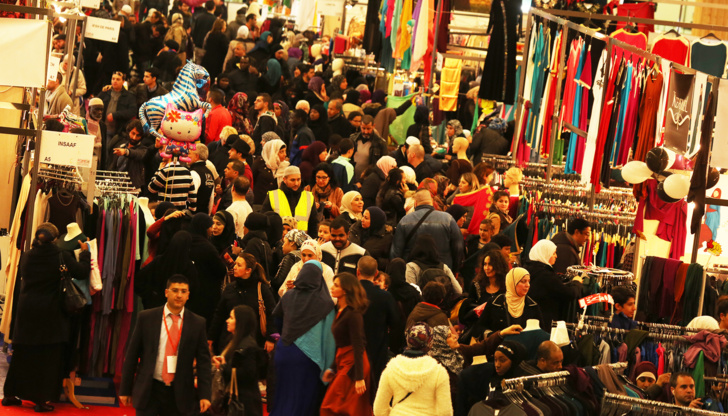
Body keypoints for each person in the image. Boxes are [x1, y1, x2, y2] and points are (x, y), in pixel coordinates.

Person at [2, 224, 90, 413]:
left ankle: (10, 394)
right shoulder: (60, 256)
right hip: (50, 314)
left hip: (26, 312)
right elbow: (82, 272)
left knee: (22, 355)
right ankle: (40, 400)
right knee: (46, 359)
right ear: (56, 238)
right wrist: (85, 253)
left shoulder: (27, 256)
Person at [120, 274, 212, 416]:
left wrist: (205, 394)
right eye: (175, 290)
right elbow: (132, 355)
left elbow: (203, 362)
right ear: (166, 292)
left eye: (183, 291)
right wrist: (125, 389)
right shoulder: (147, 318)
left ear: (188, 295)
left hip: (180, 393)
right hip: (150, 389)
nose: (179, 295)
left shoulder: (197, 323)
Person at [270, 261, 336, 416]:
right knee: (302, 402)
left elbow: (277, 319)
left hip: (284, 352)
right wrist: (330, 365)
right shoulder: (326, 303)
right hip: (308, 359)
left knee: (283, 396)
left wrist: (288, 334)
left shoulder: (288, 296)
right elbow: (329, 338)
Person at [320, 273, 373, 415]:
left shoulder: (353, 314)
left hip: (354, 365)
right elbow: (341, 343)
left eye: (336, 285)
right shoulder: (341, 311)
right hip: (344, 361)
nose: (332, 287)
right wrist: (332, 368)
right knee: (338, 408)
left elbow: (358, 345)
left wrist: (359, 377)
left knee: (332, 407)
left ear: (345, 290)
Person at [373, 323, 452, 416]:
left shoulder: (391, 369)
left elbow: (379, 409)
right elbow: (445, 412)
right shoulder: (439, 372)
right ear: (430, 342)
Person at [208, 253, 276, 354]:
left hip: (255, 343)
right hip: (229, 342)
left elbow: (273, 314)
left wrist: (271, 339)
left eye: (239, 265)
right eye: (235, 264)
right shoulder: (230, 288)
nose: (234, 267)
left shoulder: (262, 289)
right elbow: (219, 315)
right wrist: (211, 337)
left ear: (248, 270)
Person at [355, 256, 399, 402]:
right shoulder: (385, 297)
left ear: (357, 272)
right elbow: (395, 323)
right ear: (376, 274)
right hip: (377, 349)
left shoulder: (349, 294)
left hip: (351, 351)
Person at [391, 189, 464, 273]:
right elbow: (458, 247)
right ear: (432, 202)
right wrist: (455, 270)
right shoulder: (448, 219)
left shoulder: (404, 221)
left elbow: (396, 251)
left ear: (415, 203)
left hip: (413, 272)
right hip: (442, 273)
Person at [212, 305, 266, 416]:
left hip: (245, 405)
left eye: (231, 318)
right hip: (236, 400)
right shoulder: (233, 341)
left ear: (241, 322)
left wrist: (223, 367)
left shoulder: (248, 346)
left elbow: (248, 374)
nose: (227, 321)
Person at [456, 341, 526, 416]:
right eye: (495, 360)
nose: (497, 365)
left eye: (502, 360)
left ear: (514, 361)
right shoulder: (487, 377)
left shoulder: (523, 384)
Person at [137, 231, 201, 312]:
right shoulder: (189, 267)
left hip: (154, 309)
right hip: (178, 311)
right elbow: (194, 292)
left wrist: (150, 296)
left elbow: (139, 280)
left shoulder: (159, 261)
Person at [525, 239, 583, 329]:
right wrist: (577, 283)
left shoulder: (528, 268)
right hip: (544, 322)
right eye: (553, 253)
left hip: (529, 320)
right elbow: (569, 293)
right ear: (546, 254)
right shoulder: (545, 275)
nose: (556, 256)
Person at [473, 268, 542, 336]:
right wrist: (497, 335)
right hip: (498, 345)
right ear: (512, 282)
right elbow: (479, 328)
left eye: (528, 281)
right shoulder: (495, 302)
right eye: (523, 281)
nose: (528, 285)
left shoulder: (532, 305)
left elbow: (541, 332)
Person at [188, 214, 228, 324]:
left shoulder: (185, 242)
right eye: (210, 226)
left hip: (188, 293)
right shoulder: (208, 247)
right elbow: (220, 270)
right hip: (206, 295)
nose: (212, 229)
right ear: (204, 228)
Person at [262, 165, 318, 237]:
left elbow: (313, 224)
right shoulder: (272, 195)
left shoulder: (309, 197)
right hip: (278, 242)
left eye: (298, 179)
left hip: (302, 242)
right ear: (284, 180)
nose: (296, 183)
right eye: (293, 180)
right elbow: (265, 221)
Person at [107, 120, 150, 190]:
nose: (134, 137)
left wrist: (126, 152)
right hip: (116, 186)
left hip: (132, 189)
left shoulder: (143, 150)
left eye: (138, 135)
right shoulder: (122, 146)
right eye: (133, 133)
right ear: (129, 131)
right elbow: (113, 167)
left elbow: (137, 154)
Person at [98, 71, 137, 140]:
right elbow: (96, 104)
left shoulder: (129, 96)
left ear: (123, 81)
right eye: (113, 79)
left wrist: (115, 115)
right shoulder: (105, 92)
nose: (115, 81)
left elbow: (132, 111)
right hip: (103, 130)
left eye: (118, 79)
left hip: (119, 132)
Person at [271, 229, 309, 294]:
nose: (282, 245)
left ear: (292, 243)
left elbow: (279, 282)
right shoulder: (304, 257)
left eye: (285, 242)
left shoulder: (290, 257)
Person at [252, 138, 288, 204]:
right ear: (273, 152)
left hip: (276, 202)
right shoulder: (259, 163)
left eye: (285, 151)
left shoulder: (284, 166)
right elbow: (251, 181)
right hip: (259, 202)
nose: (285, 154)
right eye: (281, 152)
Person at [188, 144, 216, 215]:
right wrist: (208, 215)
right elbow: (211, 198)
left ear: (196, 156)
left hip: (194, 217)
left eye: (189, 154)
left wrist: (189, 214)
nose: (187, 156)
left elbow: (191, 196)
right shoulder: (209, 173)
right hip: (204, 215)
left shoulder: (194, 173)